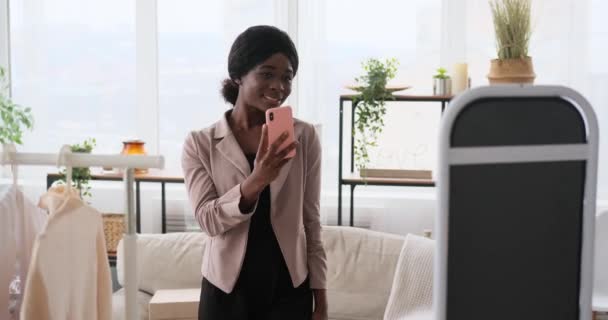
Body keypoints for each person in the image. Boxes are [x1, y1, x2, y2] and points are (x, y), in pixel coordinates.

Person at [181, 25, 328, 320]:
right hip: (226, 291)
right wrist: (257, 179)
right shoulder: (200, 143)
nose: (279, 86)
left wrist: (321, 301)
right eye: (267, 73)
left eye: (287, 77)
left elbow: (310, 222)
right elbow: (208, 220)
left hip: (288, 287)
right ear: (238, 75)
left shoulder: (304, 136)